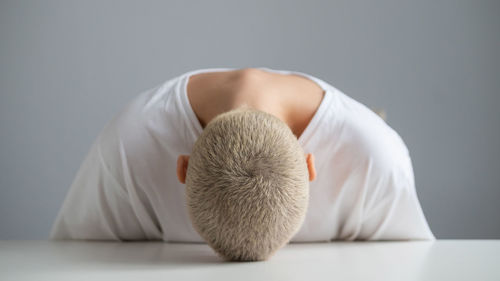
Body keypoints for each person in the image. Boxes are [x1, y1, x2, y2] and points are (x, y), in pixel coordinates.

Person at [50, 67, 435, 261]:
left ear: (181, 168)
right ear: (309, 167)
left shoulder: (375, 156)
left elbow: (415, 263)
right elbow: (73, 259)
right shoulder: (128, 146)